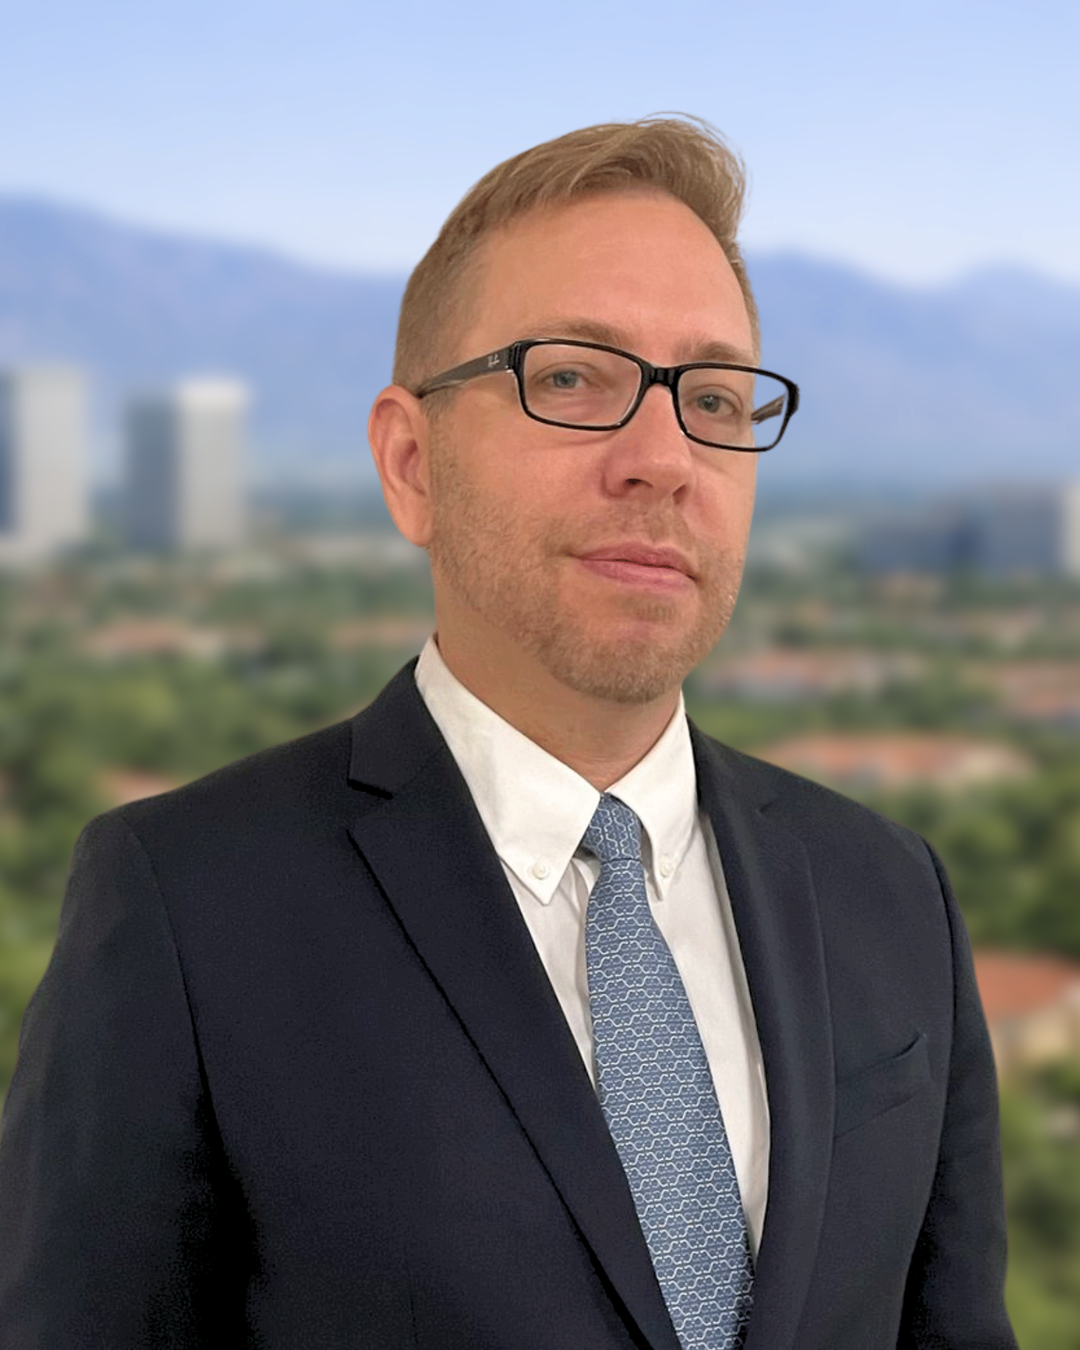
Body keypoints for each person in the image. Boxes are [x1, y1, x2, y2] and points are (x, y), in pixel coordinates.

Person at [0, 117, 1015, 1349]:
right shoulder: (187, 902)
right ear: (411, 463)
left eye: (712, 397)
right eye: (573, 379)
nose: (663, 459)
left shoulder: (893, 891)